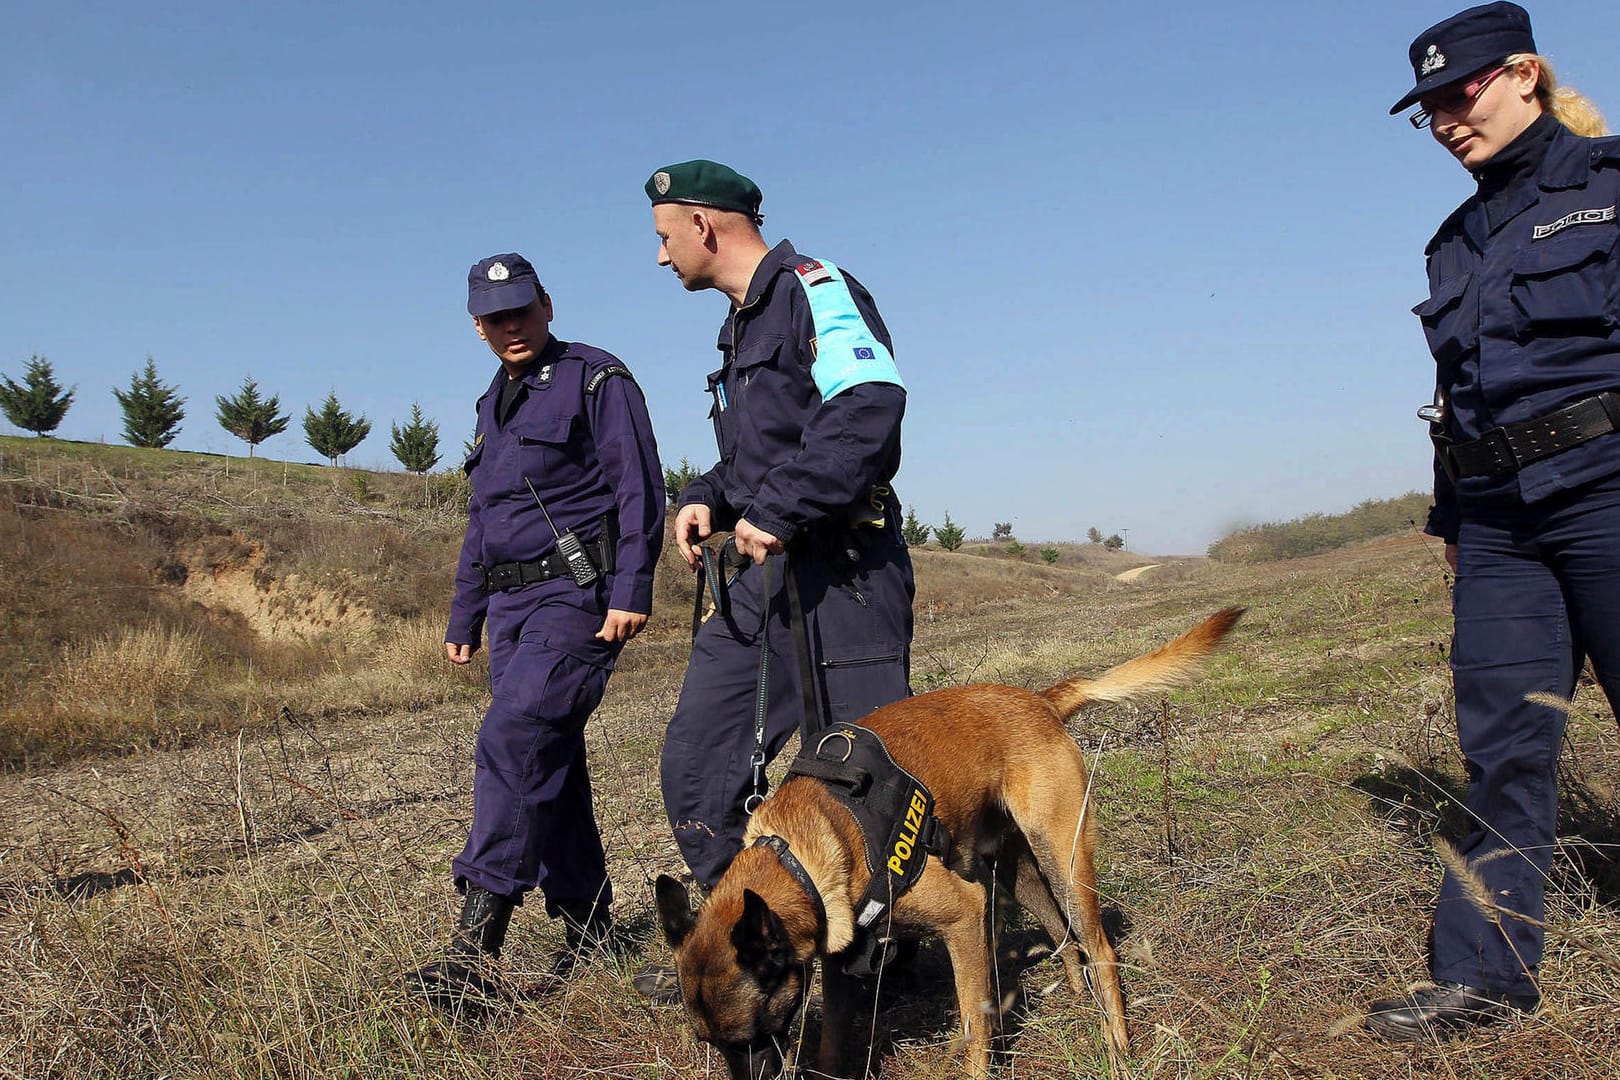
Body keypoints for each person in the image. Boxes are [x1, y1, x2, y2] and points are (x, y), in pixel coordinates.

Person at [1368, 2, 1618, 1042]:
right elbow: (1457, 399)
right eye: (1428, 106)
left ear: (1524, 74)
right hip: (1501, 522)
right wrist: (1456, 525)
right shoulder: (1453, 242)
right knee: (1504, 744)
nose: (1445, 117)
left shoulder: (1610, 188)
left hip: (1608, 486)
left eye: (1459, 92)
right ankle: (1484, 978)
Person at [643, 159, 915, 903]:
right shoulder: (738, 329)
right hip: (764, 578)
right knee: (698, 763)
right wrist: (708, 496)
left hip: (845, 572)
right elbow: (758, 462)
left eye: (667, 237)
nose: (661, 255)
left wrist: (780, 506)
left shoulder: (813, 288)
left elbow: (868, 404)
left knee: (859, 770)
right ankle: (751, 934)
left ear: (702, 226)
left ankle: (881, 956)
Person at [411, 253, 665, 1008]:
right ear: (477, 327)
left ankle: (472, 952)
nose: (510, 326)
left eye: (520, 310)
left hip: (577, 597)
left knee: (514, 738)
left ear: (547, 307)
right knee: (549, 759)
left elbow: (638, 486)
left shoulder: (596, 379)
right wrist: (466, 613)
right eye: (494, 318)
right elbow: (483, 520)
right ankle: (589, 927)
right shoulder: (494, 401)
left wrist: (631, 589)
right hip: (512, 611)